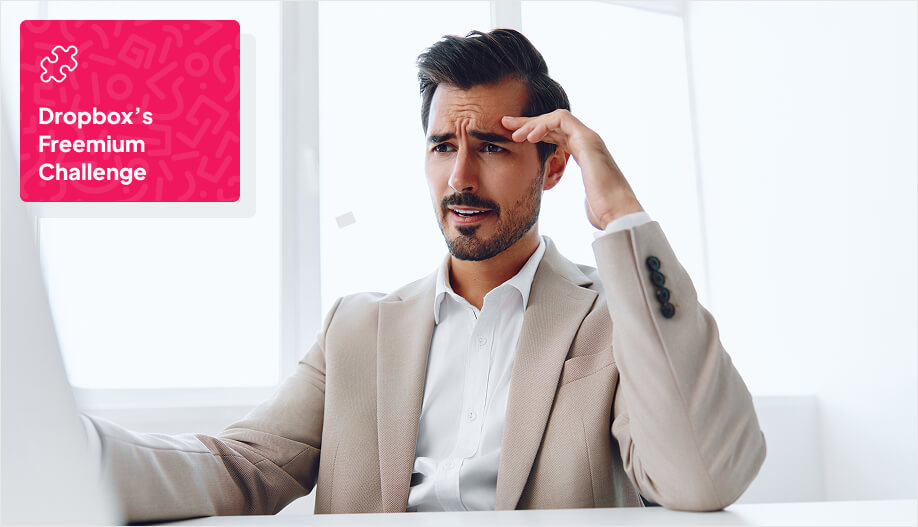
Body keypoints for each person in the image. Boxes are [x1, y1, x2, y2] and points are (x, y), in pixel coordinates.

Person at [83, 29, 765, 521]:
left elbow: (705, 476)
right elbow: (243, 465)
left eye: (494, 147)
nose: (460, 177)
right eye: (443, 146)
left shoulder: (618, 320)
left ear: (553, 165)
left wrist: (619, 211)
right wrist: (74, 450)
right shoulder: (356, 327)